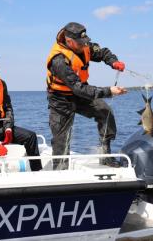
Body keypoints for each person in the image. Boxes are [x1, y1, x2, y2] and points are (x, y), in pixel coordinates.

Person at [46, 22, 128, 170]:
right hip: (61, 100)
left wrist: (113, 62)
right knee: (61, 140)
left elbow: (103, 52)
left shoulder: (84, 45)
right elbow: (79, 88)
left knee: (105, 112)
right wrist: (109, 91)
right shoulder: (58, 60)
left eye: (85, 41)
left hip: (80, 95)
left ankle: (105, 156)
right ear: (69, 41)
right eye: (81, 43)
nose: (85, 45)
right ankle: (60, 172)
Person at [0, 55, 43, 171]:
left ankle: (37, 171)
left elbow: (8, 108)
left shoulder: (1, 84)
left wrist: (8, 128)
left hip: (1, 128)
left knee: (30, 136)